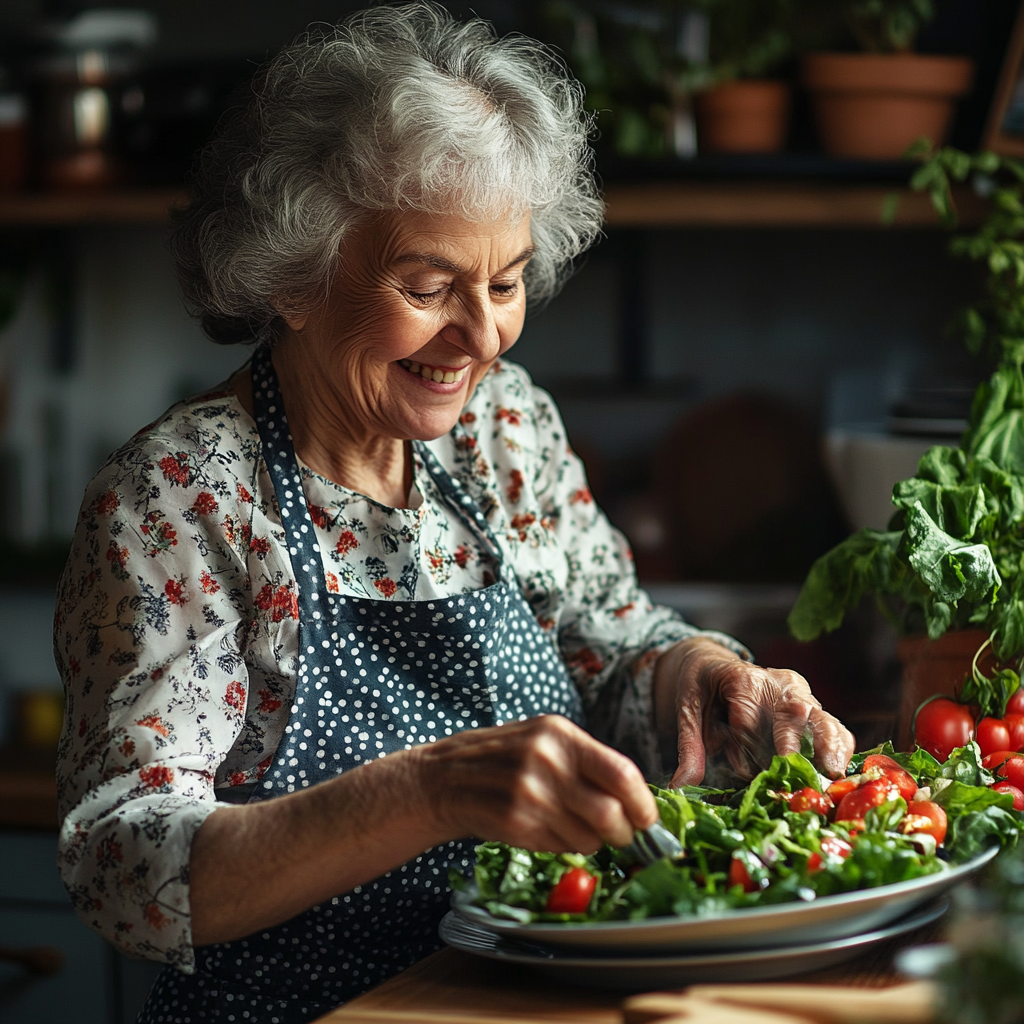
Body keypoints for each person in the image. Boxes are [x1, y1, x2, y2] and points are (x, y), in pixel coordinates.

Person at [54, 5, 855, 1022]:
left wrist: (696, 672)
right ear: (296, 275)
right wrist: (427, 792)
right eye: (429, 286)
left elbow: (607, 649)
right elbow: (122, 866)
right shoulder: (183, 496)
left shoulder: (506, 427)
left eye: (507, 281)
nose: (481, 337)